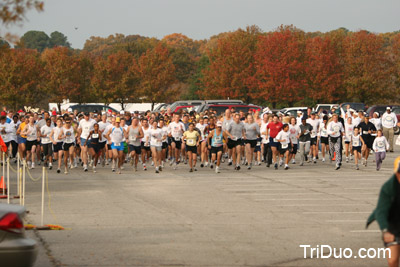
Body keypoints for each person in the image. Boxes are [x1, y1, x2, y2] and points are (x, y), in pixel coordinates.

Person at [367, 156, 400, 267]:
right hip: (393, 226)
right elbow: (381, 212)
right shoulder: (388, 188)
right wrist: (386, 231)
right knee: (392, 260)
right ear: (396, 173)